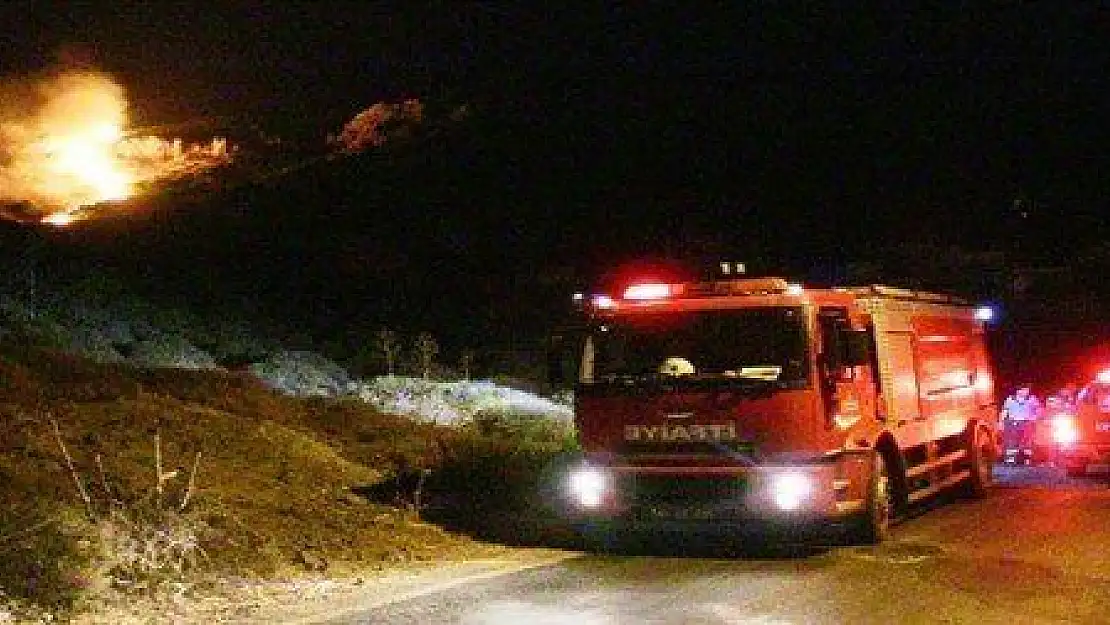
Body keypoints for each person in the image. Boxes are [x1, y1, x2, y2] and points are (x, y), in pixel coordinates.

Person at [999, 384, 1044, 465]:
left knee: (1027, 442)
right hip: (1013, 423)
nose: (1027, 391)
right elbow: (1005, 411)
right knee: (1011, 442)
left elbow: (1039, 410)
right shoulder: (1010, 399)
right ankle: (1010, 459)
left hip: (1027, 423)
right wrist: (1001, 422)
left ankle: (1027, 459)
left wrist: (1034, 418)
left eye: (1027, 390)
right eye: (1025, 389)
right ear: (1018, 390)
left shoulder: (1032, 399)